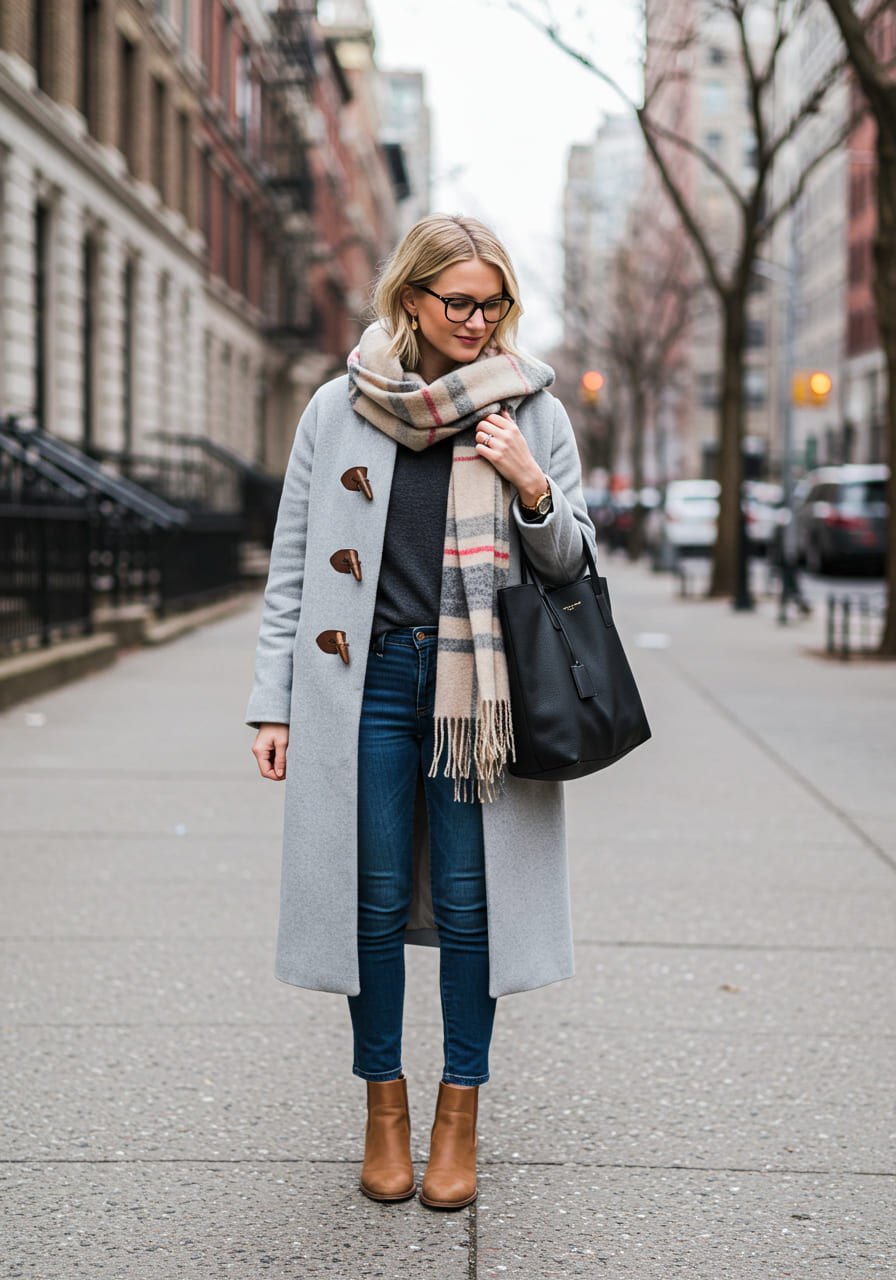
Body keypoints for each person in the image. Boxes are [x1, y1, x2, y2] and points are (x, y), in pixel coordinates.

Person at [246, 213, 597, 1210]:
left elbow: (575, 562)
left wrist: (529, 482)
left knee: (469, 901)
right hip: (362, 688)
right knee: (368, 900)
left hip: (473, 696)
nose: (478, 321)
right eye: (459, 302)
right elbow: (290, 571)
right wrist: (269, 701)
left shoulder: (533, 413)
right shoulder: (336, 410)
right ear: (410, 299)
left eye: (493, 304)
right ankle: (383, 1108)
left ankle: (458, 1112)